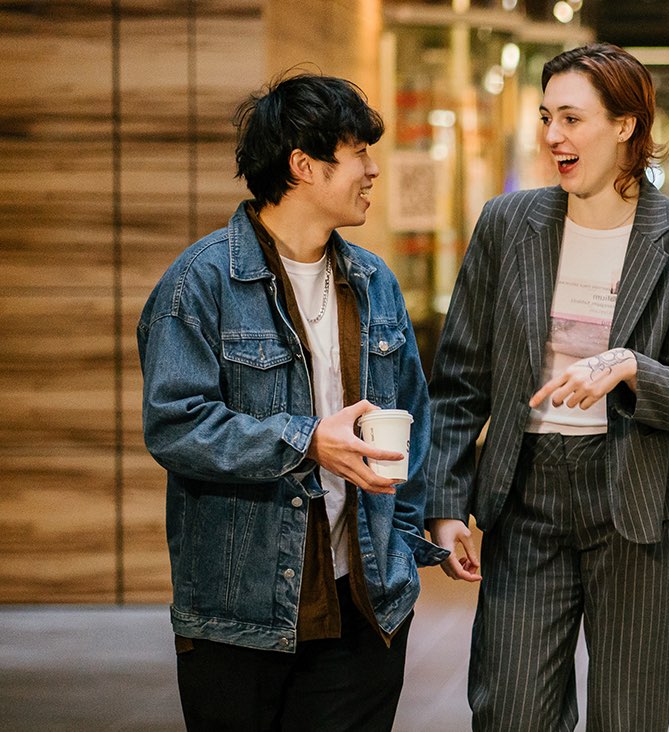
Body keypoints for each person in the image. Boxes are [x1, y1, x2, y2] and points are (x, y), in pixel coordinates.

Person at [425, 43, 669, 731]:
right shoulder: (509, 225)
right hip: (525, 491)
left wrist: (631, 368)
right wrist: (446, 504)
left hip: (634, 500)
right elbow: (458, 380)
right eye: (546, 118)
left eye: (572, 118)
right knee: (509, 710)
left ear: (626, 125)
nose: (553, 137)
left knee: (629, 715)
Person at [137, 72, 447, 731]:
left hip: (367, 602)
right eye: (359, 152)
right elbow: (176, 426)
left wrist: (420, 530)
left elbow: (416, 419)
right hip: (240, 615)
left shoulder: (373, 281)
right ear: (303, 165)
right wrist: (305, 440)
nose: (373, 169)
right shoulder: (201, 283)